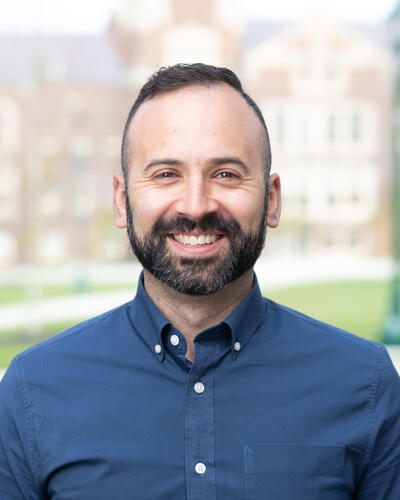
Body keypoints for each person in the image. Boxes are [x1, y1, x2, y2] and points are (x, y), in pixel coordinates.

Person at [0, 63, 399, 499]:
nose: (195, 205)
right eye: (166, 174)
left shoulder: (365, 384)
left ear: (272, 199)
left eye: (226, 174)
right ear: (121, 200)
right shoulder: (32, 392)